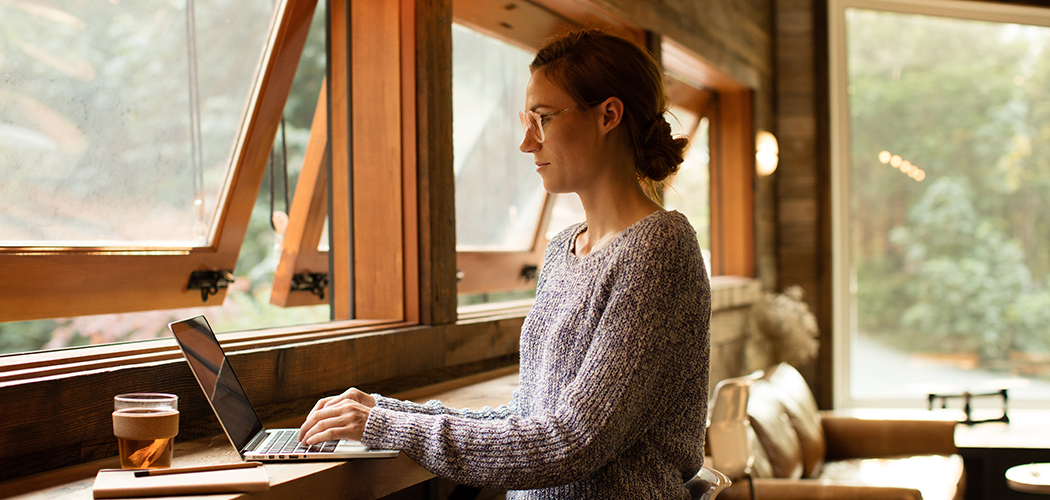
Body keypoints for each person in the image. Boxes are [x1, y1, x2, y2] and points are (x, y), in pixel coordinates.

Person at [299, 28, 711, 499]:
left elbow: (571, 443)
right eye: (526, 119)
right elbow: (527, 418)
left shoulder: (661, 249)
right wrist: (385, 412)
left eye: (543, 118)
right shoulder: (562, 250)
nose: (527, 143)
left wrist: (387, 426)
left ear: (608, 115)